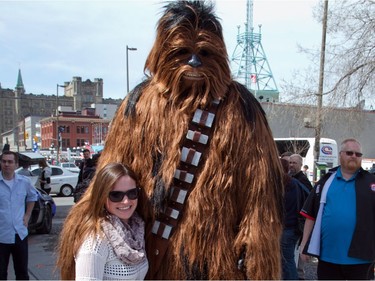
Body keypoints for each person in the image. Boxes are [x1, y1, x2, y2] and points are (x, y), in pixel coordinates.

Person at [57, 162, 148, 280]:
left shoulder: (136, 231)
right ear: (102, 197)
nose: (126, 201)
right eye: (116, 195)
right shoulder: (95, 242)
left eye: (132, 193)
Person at [300, 138, 375, 280]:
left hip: (361, 259)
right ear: (340, 154)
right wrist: (304, 245)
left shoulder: (371, 183)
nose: (354, 156)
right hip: (328, 257)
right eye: (349, 152)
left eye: (358, 154)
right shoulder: (325, 182)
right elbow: (310, 215)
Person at [0, 150, 38, 280]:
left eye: (10, 162)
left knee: (22, 273)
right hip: (1, 235)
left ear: (16, 165)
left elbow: (33, 196)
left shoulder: (24, 182)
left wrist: (27, 215)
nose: (6, 164)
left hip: (19, 233)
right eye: (4, 161)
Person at [280, 158, 306, 280]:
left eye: (294, 162)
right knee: (287, 259)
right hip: (293, 226)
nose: (292, 165)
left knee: (286, 260)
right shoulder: (294, 182)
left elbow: (283, 207)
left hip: (288, 227)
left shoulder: (287, 184)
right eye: (290, 163)